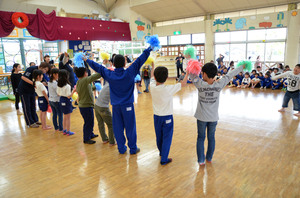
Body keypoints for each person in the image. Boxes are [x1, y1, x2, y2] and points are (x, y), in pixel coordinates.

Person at [84, 47, 152, 154]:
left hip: (116, 106)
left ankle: (121, 148)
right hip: (128, 106)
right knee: (130, 128)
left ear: (114, 64)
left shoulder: (110, 74)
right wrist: (148, 49)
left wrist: (87, 60)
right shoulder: (130, 72)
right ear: (125, 63)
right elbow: (140, 60)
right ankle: (133, 149)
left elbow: (98, 68)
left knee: (118, 128)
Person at [192, 63, 245, 166]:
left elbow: (192, 75)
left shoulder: (199, 84)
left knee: (200, 138)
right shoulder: (219, 84)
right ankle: (209, 158)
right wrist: (241, 67)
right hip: (213, 118)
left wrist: (190, 62)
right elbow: (229, 75)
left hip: (201, 118)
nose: (201, 75)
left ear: (205, 74)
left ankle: (201, 160)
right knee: (211, 137)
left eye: (202, 73)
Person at [150, 62, 189, 165]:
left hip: (156, 117)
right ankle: (164, 158)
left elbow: (151, 76)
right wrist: (187, 73)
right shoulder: (168, 89)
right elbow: (184, 84)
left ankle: (161, 152)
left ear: (155, 76)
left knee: (159, 136)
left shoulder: (152, 86)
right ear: (167, 77)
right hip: (167, 117)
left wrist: (153, 66)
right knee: (167, 137)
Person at [18, 62, 50, 128]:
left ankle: (35, 120)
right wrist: (33, 83)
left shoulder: (41, 73)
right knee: (27, 107)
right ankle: (30, 122)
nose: (44, 72)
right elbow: (23, 77)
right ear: (41, 67)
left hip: (32, 90)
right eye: (45, 70)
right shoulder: (31, 68)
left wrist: (44, 83)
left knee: (33, 105)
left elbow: (43, 81)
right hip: (24, 90)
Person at [74, 67, 101, 144]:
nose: (87, 73)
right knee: (88, 122)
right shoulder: (85, 80)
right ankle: (86, 138)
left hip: (85, 106)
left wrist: (95, 87)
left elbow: (87, 88)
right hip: (86, 106)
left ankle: (90, 134)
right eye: (86, 72)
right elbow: (95, 76)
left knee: (90, 121)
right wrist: (103, 71)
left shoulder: (79, 81)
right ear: (84, 73)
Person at [95, 80, 116, 146]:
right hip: (103, 107)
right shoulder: (113, 86)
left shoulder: (107, 83)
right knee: (111, 125)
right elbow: (112, 100)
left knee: (100, 124)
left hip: (96, 105)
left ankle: (104, 139)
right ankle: (112, 142)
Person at [57, 70, 76, 136]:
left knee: (64, 116)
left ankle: (64, 130)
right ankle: (68, 131)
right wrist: (73, 91)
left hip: (61, 99)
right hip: (66, 100)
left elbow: (58, 94)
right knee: (68, 117)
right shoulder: (67, 86)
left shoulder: (58, 84)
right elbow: (68, 96)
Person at [48, 68, 63, 132]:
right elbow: (58, 93)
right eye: (58, 74)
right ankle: (61, 128)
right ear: (54, 74)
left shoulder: (49, 82)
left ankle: (56, 127)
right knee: (60, 114)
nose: (58, 76)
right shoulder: (55, 83)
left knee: (54, 114)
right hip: (56, 100)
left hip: (51, 100)